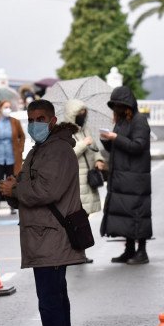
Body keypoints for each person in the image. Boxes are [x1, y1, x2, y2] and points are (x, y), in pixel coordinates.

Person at [0, 99, 85, 326]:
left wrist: (17, 188)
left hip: (52, 235)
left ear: (52, 120)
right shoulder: (40, 150)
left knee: (51, 298)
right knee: (54, 296)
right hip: (42, 234)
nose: (34, 123)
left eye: (40, 118)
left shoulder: (58, 151)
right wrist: (12, 190)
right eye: (31, 118)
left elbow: (46, 191)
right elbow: (30, 186)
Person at [100, 86, 153, 265]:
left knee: (138, 214)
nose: (116, 109)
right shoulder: (121, 121)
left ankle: (142, 251)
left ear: (127, 105)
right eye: (114, 105)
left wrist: (116, 138)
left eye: (119, 105)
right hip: (122, 177)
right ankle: (129, 249)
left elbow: (138, 146)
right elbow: (117, 147)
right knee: (125, 215)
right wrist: (107, 141)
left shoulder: (139, 121)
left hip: (136, 178)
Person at [63, 99, 105, 264]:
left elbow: (94, 149)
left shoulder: (85, 129)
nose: (82, 116)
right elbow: (68, 155)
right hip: (75, 181)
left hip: (88, 179)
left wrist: (99, 160)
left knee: (84, 219)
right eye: (79, 113)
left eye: (84, 113)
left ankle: (81, 252)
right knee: (75, 218)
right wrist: (82, 144)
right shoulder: (65, 132)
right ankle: (72, 252)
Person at [0, 99, 26, 216]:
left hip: (12, 157)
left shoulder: (15, 122)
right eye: (5, 107)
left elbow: (22, 136)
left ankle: (12, 205)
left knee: (11, 182)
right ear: (0, 109)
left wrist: (20, 149)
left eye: (9, 107)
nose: (8, 109)